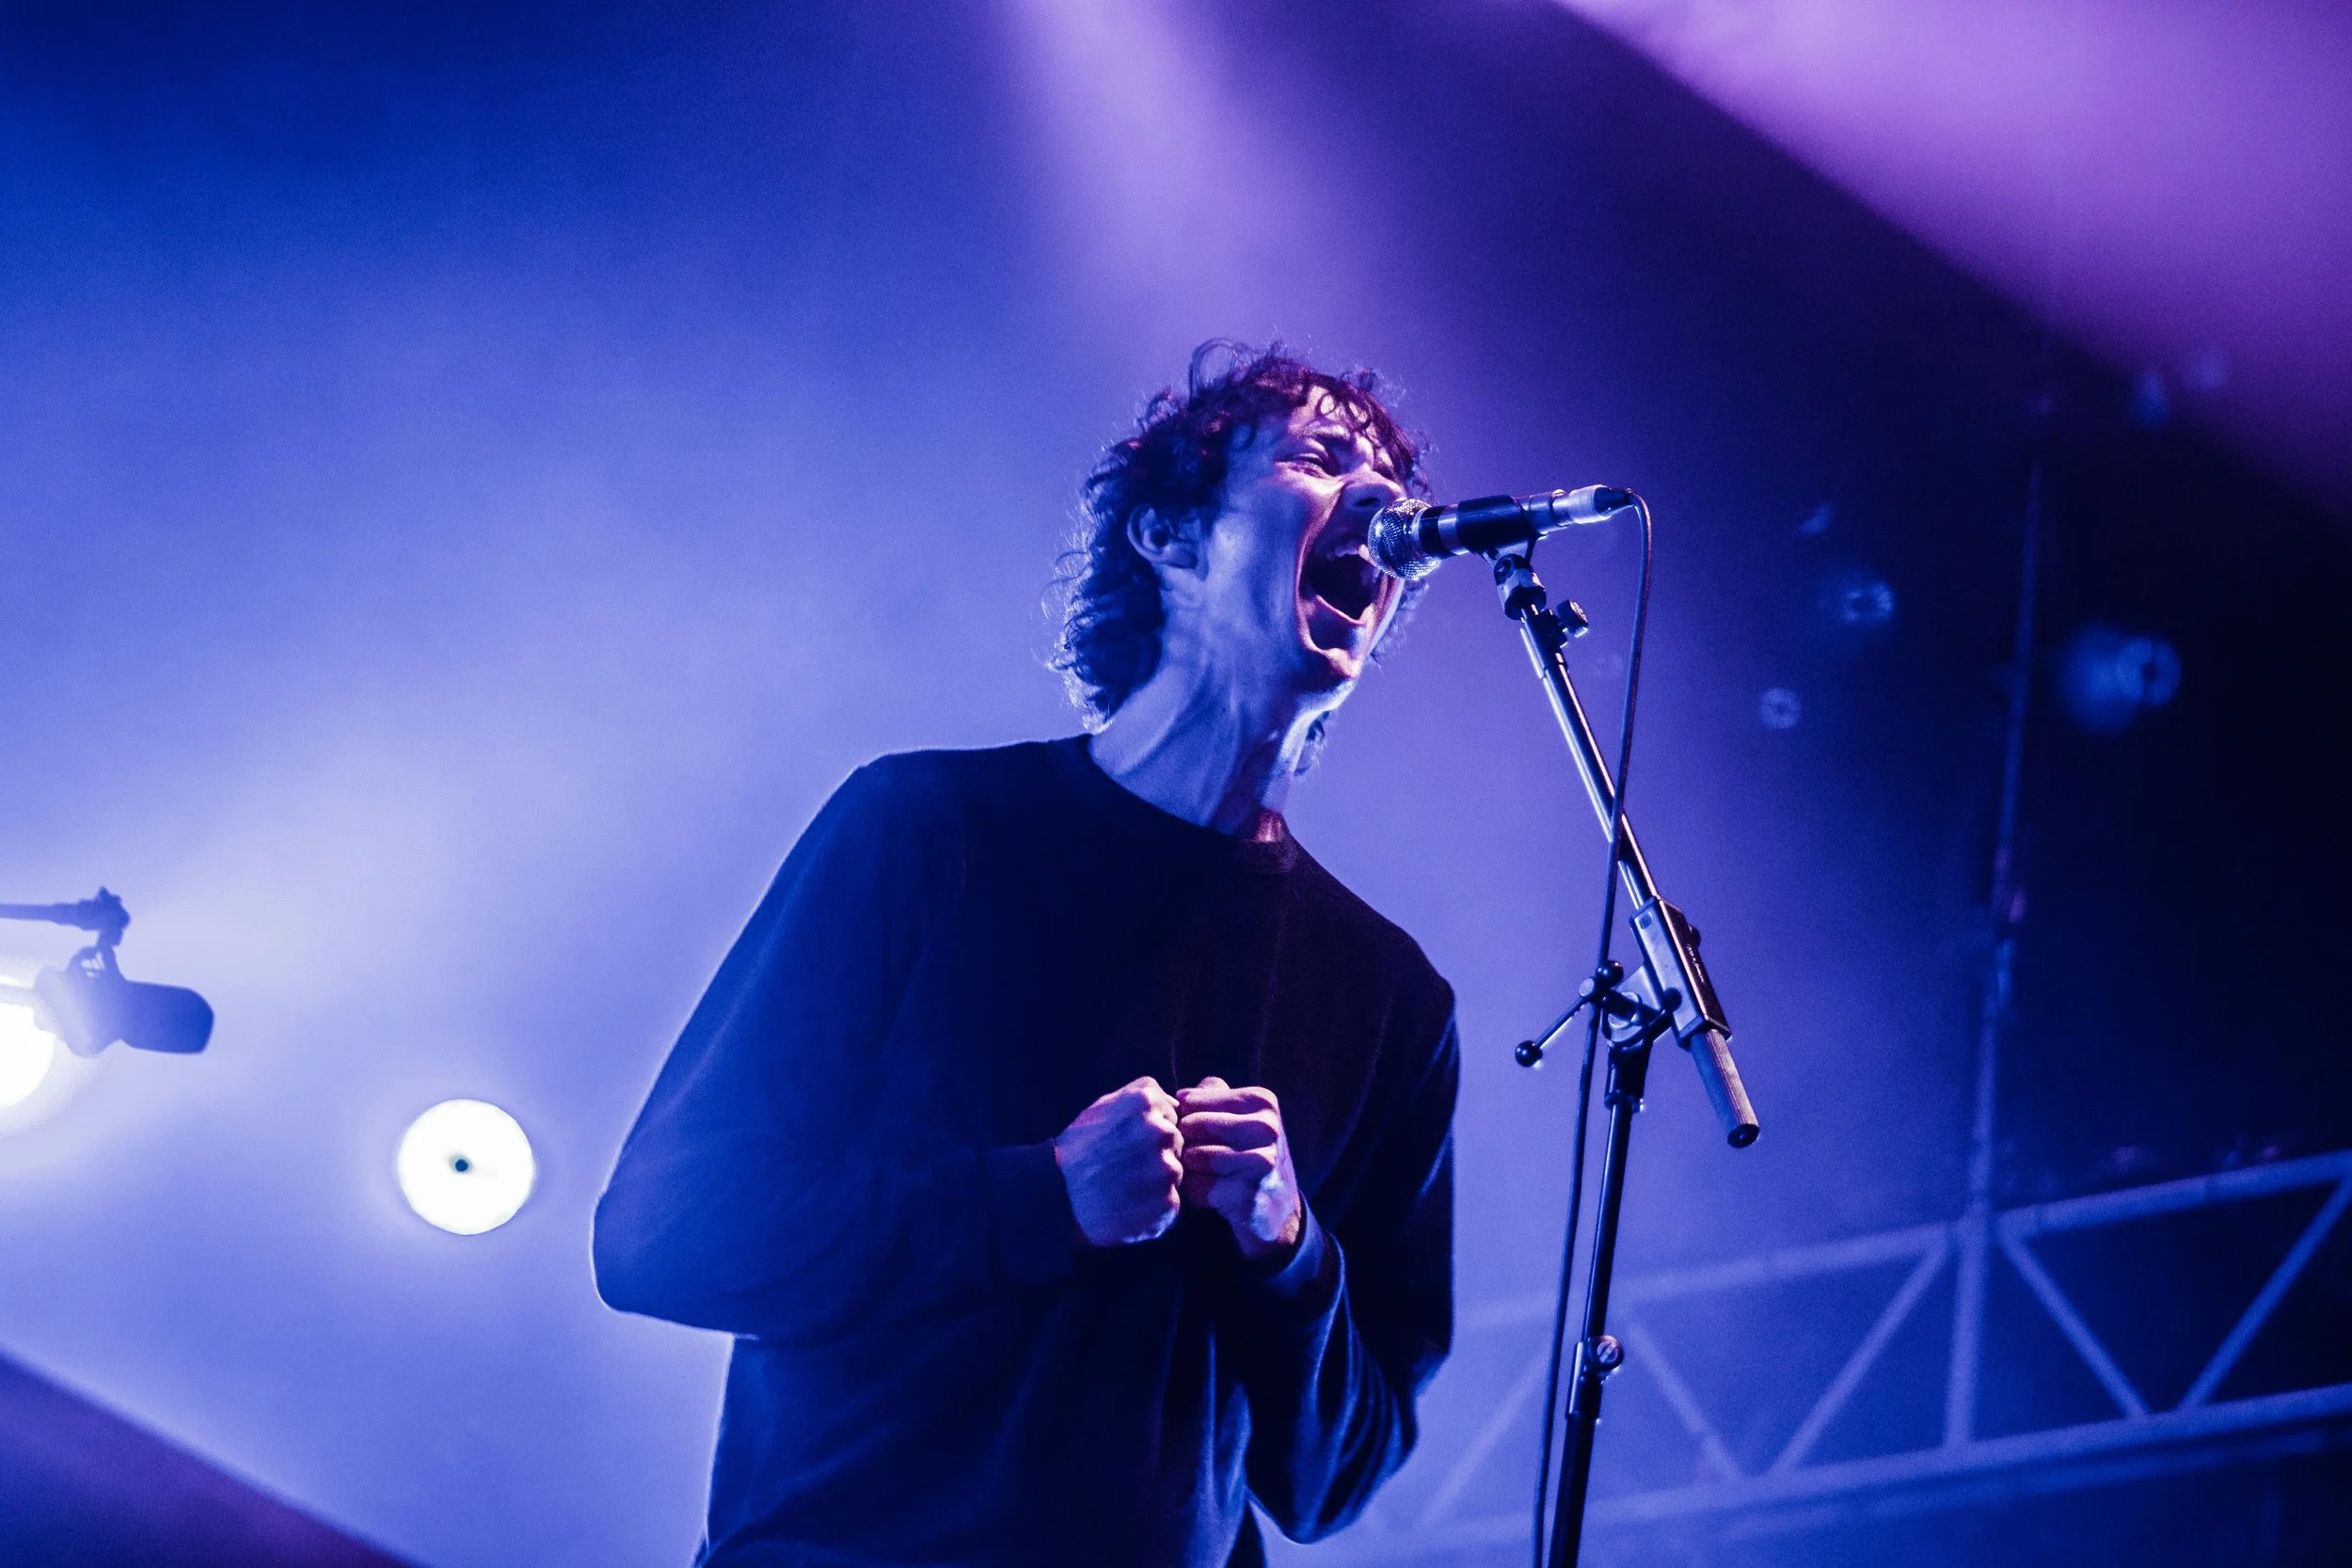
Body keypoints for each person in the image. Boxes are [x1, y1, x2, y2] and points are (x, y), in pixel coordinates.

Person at [594, 342, 1460, 1568]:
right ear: (1167, 534)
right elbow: (664, 1231)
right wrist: (1037, 1200)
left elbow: (1336, 1479)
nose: (1382, 505)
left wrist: (1289, 1249)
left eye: (1393, 484)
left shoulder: (1389, 1000)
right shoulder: (928, 832)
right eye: (1323, 459)